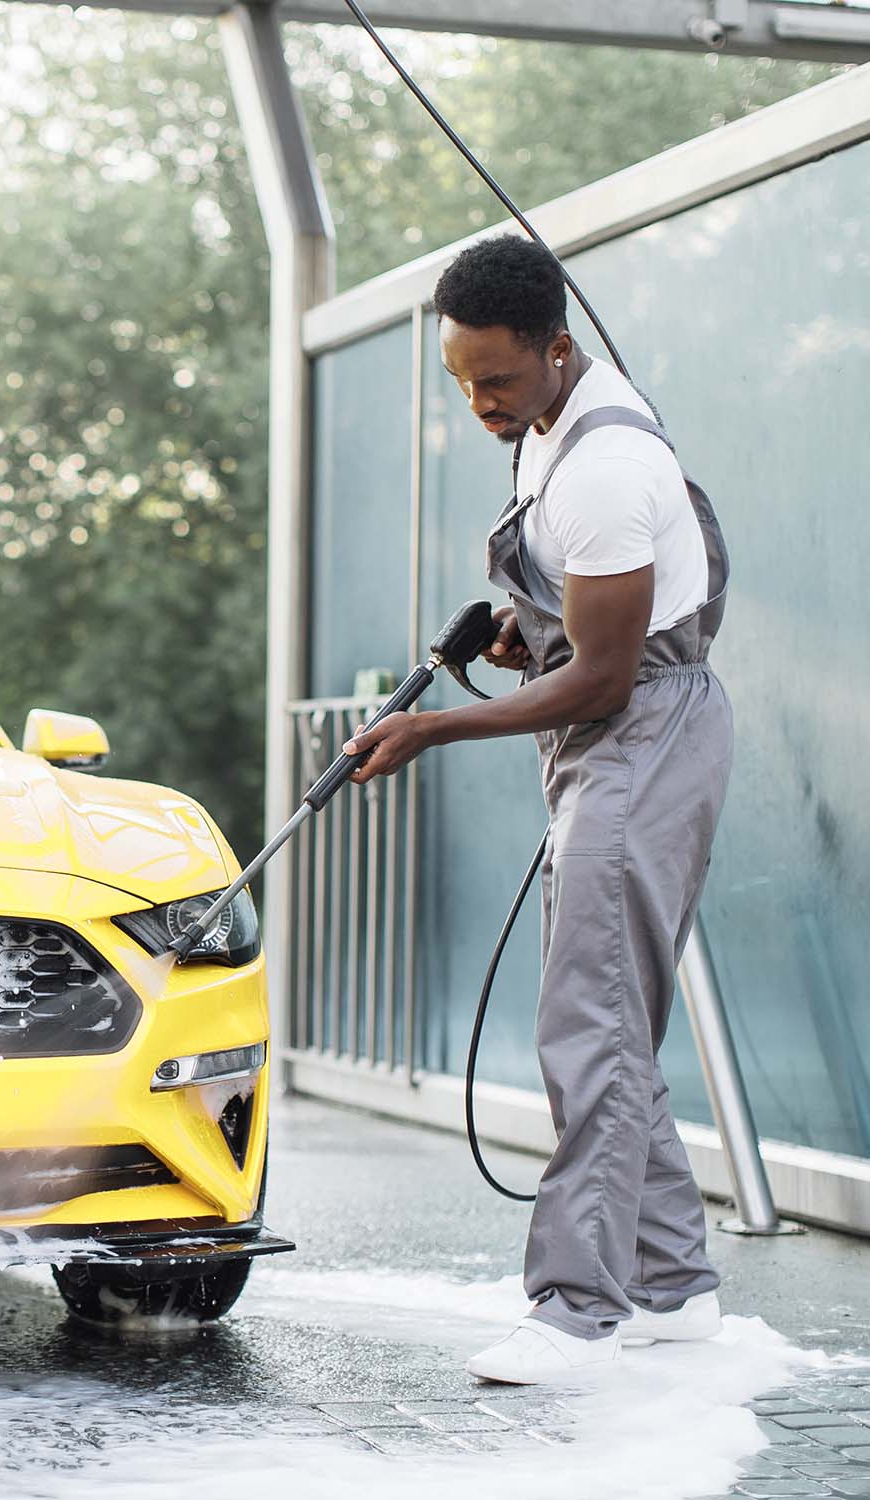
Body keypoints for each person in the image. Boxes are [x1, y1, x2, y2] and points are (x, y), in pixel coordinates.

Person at [342, 234, 733, 1384]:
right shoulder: (548, 423)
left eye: (498, 382)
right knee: (605, 1011)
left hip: (644, 734)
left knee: (589, 1022)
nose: (479, 404)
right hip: (610, 733)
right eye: (460, 383)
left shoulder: (610, 465)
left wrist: (432, 728)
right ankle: (674, 1287)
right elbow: (584, 632)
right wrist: (531, 630)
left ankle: (576, 1309)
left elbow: (611, 676)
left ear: (559, 350)